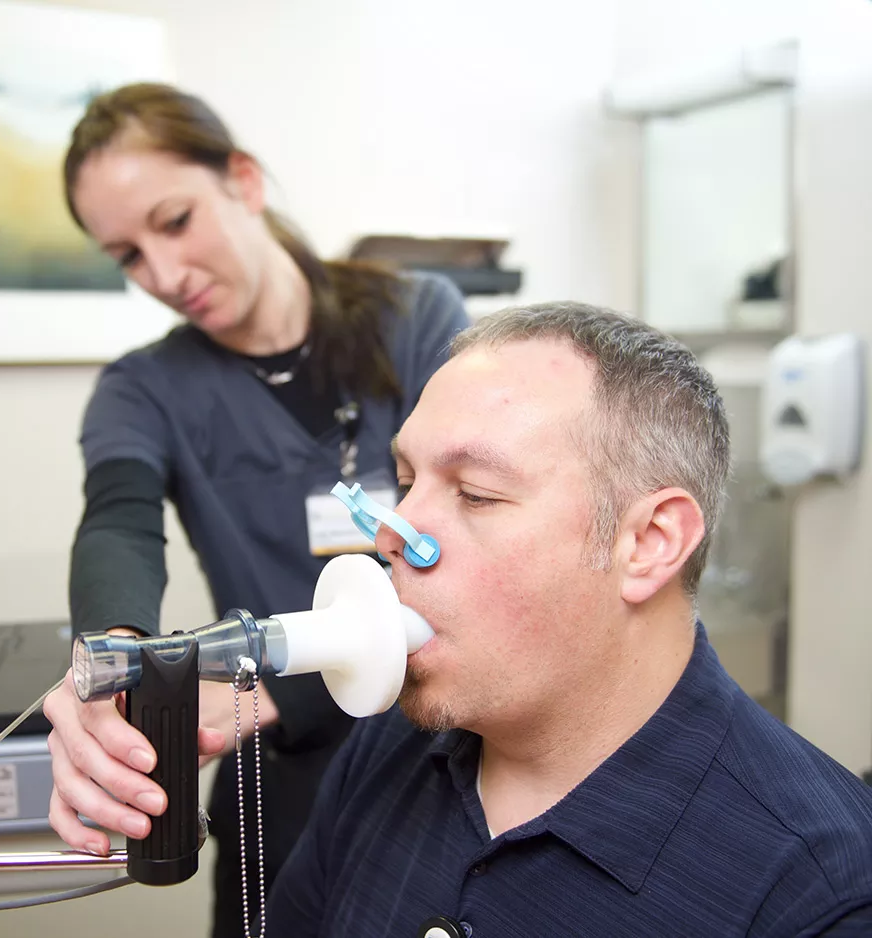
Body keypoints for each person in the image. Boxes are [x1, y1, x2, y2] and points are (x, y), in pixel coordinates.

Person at [265, 302, 872, 936]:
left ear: (650, 543)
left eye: (476, 492)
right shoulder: (387, 747)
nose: (394, 535)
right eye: (407, 481)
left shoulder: (820, 896)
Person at [42, 82, 470, 938]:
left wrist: (278, 690)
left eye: (174, 222)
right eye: (127, 255)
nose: (163, 276)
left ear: (242, 181)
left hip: (443, 734)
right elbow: (119, 520)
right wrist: (110, 667)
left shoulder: (415, 318)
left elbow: (471, 534)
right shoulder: (144, 390)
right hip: (286, 763)